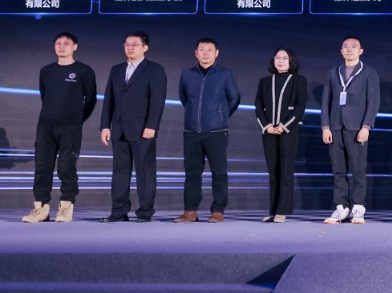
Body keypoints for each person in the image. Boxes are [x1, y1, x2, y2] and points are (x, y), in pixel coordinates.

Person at [24, 32, 96, 223]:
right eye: (58, 43)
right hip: (45, 126)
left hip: (70, 128)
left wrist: (77, 119)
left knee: (66, 167)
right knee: (42, 168)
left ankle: (65, 207)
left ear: (75, 47)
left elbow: (91, 100)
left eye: (66, 43)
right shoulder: (46, 71)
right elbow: (45, 96)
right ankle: (41, 209)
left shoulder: (84, 71)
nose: (61, 46)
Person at [99, 31, 167, 222]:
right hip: (119, 129)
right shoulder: (116, 70)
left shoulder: (155, 69)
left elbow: (157, 100)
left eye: (135, 45)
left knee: (145, 172)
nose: (130, 48)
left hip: (143, 129)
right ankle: (119, 211)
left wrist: (152, 125)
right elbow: (109, 99)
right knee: (120, 172)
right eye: (127, 44)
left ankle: (145, 212)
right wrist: (105, 126)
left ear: (145, 47)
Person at [176, 38, 241, 223]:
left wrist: (220, 116)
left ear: (216, 53)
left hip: (216, 132)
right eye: (202, 49)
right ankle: (190, 211)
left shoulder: (225, 74)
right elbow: (184, 98)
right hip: (191, 132)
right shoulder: (187, 75)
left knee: (219, 173)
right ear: (196, 53)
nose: (205, 53)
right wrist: (194, 116)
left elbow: (234, 99)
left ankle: (218, 210)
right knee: (192, 173)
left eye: (209, 50)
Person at [321, 36, 380, 225]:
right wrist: (325, 127)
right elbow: (325, 101)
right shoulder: (333, 72)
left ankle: (358, 207)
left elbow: (373, 102)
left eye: (354, 47)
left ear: (361, 51)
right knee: (338, 170)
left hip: (357, 127)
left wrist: (366, 126)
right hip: (335, 126)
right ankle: (341, 208)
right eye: (345, 46)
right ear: (341, 51)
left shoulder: (369, 72)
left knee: (357, 169)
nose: (349, 49)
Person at [255, 47, 306, 224]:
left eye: (285, 58)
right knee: (273, 170)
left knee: (285, 170)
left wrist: (284, 126)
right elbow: (258, 106)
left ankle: (282, 211)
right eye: (278, 57)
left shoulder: (299, 81)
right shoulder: (264, 81)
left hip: (289, 131)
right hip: (269, 132)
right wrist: (267, 126)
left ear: (291, 61)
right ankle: (273, 210)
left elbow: (300, 107)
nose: (281, 61)